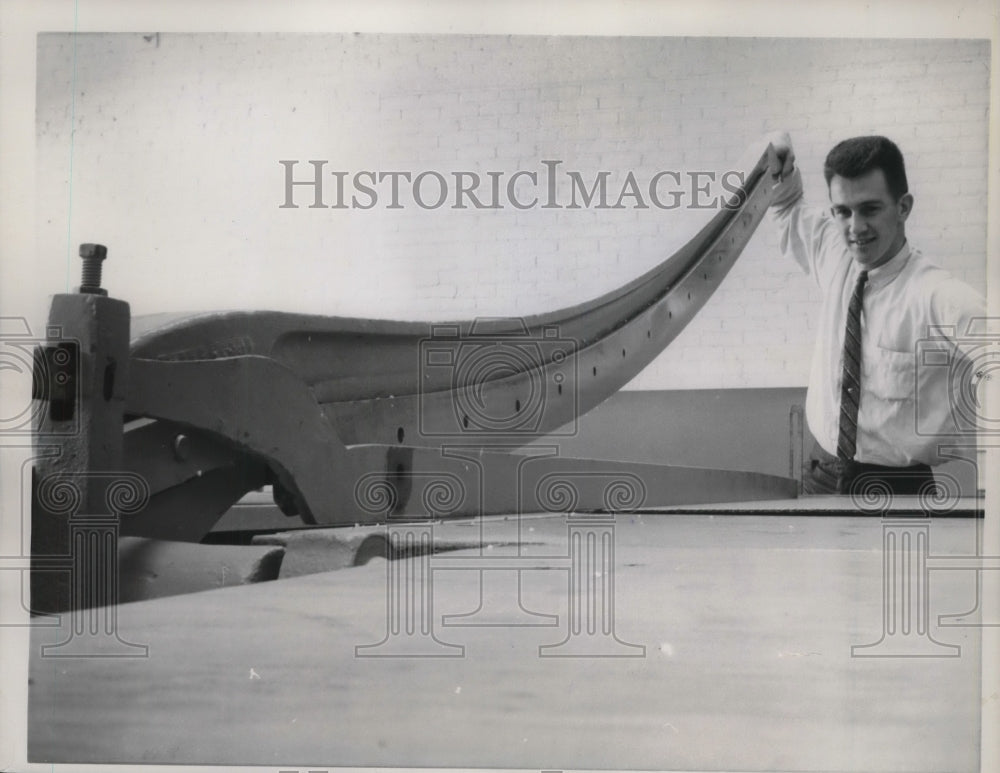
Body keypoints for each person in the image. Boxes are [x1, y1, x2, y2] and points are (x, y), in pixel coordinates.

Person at [766, 133, 985, 497]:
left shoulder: (939, 296)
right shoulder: (835, 255)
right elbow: (789, 209)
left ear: (903, 207)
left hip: (898, 489)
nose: (855, 228)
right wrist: (781, 172)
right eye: (843, 211)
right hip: (823, 475)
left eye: (870, 209)